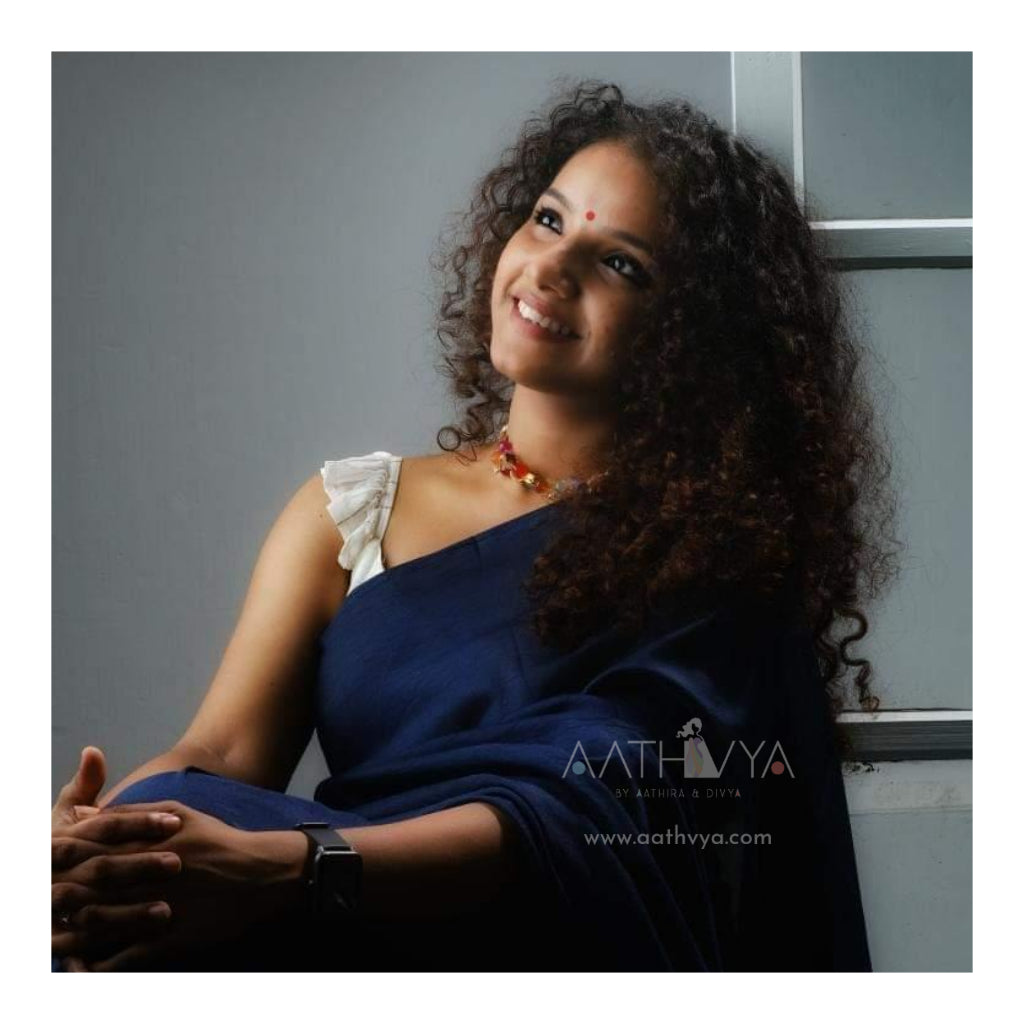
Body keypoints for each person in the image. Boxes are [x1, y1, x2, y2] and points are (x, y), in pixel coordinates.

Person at [51, 79, 899, 972]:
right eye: (547, 220)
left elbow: (595, 813)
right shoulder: (353, 511)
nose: (551, 270)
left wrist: (300, 867)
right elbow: (221, 752)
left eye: (621, 264)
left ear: (694, 334)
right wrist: (99, 839)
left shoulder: (711, 568)